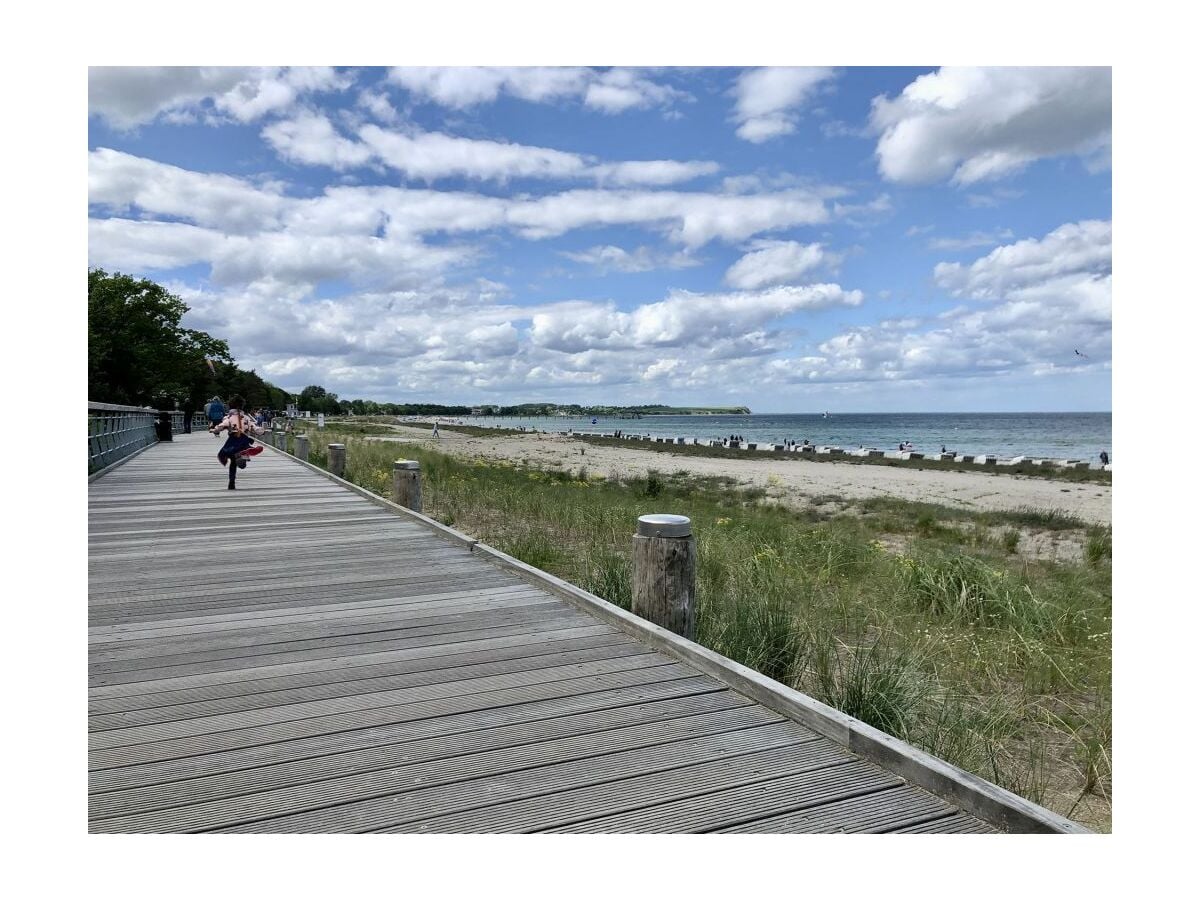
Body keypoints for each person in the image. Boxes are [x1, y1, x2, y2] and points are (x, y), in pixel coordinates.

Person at [209, 395, 263, 490]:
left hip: (233, 441)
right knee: (243, 459)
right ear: (242, 406)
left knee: (233, 463)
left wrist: (214, 430)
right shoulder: (246, 417)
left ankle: (231, 482)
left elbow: (222, 425)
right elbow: (254, 427)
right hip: (244, 440)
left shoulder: (229, 417)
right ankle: (243, 457)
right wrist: (261, 431)